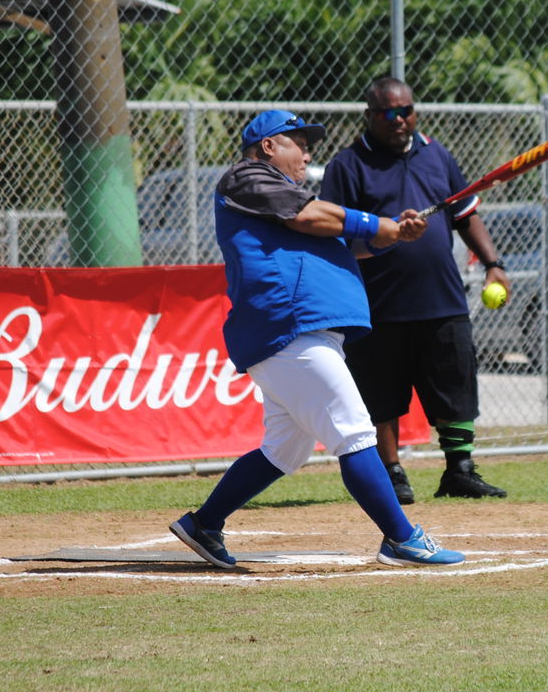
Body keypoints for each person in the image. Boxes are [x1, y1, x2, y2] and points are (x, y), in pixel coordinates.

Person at [169, 109, 463, 568]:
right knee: (354, 431)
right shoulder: (247, 177)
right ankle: (402, 538)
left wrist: (392, 234)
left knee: (284, 449)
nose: (307, 152)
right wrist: (375, 223)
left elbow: (347, 242)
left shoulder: (282, 201)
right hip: (289, 330)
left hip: (297, 333)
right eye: (298, 142)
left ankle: (204, 524)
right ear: (268, 146)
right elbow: (310, 216)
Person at [319, 77, 510, 504]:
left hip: (441, 298)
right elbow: (330, 232)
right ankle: (392, 474)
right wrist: (386, 234)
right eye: (389, 112)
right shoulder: (347, 166)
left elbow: (465, 215)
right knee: (382, 396)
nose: (399, 120)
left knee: (455, 384)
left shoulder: (436, 154)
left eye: (406, 110)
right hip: (376, 305)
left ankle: (459, 470)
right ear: (369, 116)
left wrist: (495, 266)